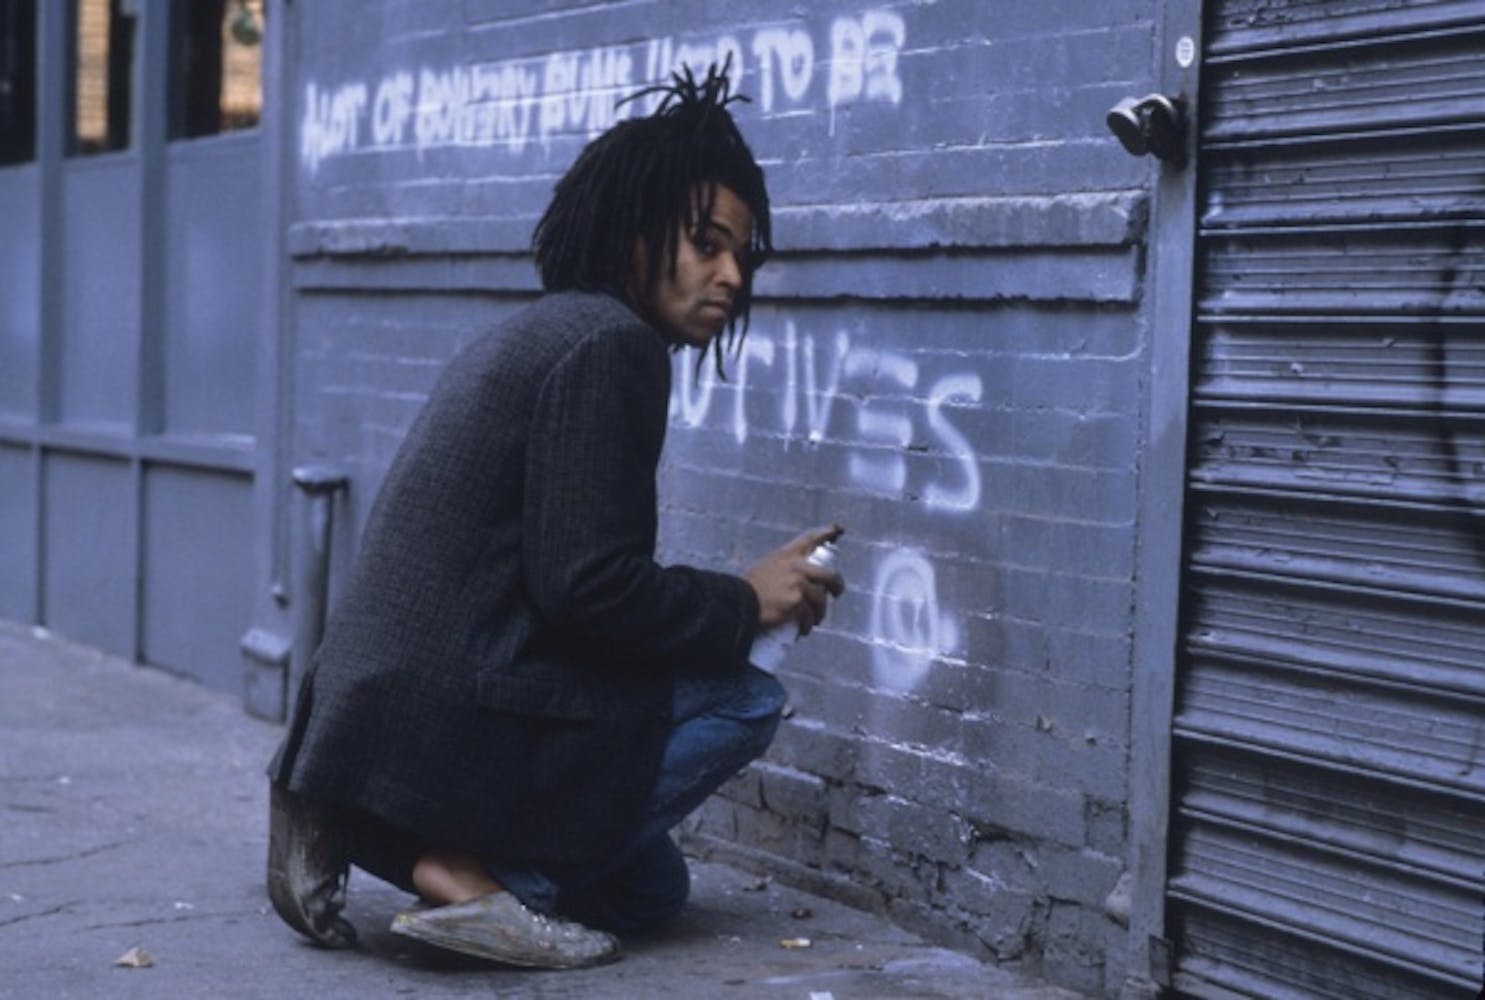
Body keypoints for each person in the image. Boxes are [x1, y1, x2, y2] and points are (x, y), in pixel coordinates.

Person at [265, 62, 845, 970]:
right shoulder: (613, 348)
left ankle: (355, 820)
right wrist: (744, 602)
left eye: (743, 253)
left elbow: (560, 579)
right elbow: (587, 587)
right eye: (705, 244)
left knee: (653, 894)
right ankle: (480, 886)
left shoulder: (551, 328)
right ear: (631, 235)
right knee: (745, 698)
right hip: (442, 718)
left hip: (377, 723)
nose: (731, 274)